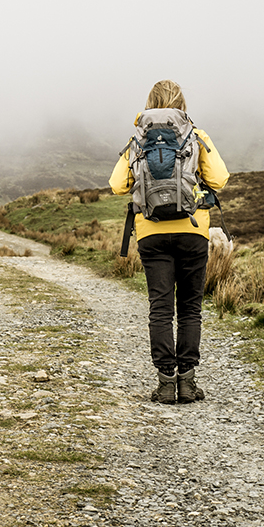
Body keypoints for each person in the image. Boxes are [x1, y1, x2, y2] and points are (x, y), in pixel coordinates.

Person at [108, 80, 229, 405]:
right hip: (193, 231)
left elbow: (117, 184)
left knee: (160, 309)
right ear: (181, 103)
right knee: (190, 308)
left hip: (151, 233)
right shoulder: (195, 135)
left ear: (150, 103)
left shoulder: (138, 137)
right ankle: (187, 384)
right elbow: (219, 179)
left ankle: (165, 385)